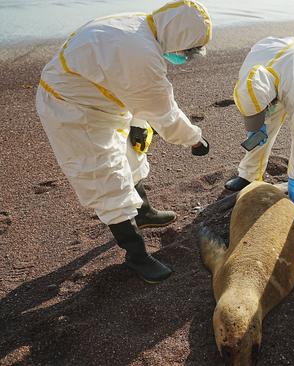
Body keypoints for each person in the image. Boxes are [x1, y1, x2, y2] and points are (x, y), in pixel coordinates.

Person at [35, 0, 212, 283]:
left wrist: (138, 122)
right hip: (73, 110)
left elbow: (128, 84)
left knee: (132, 154)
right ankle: (136, 254)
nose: (184, 56)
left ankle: (142, 211)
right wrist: (195, 140)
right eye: (188, 50)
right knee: (106, 176)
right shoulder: (140, 53)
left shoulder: (141, 26)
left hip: (102, 98)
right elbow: (164, 113)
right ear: (179, 35)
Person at [224, 36, 294, 209]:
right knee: (266, 125)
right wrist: (255, 126)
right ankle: (249, 175)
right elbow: (253, 99)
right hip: (285, 67)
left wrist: (293, 177)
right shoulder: (249, 74)